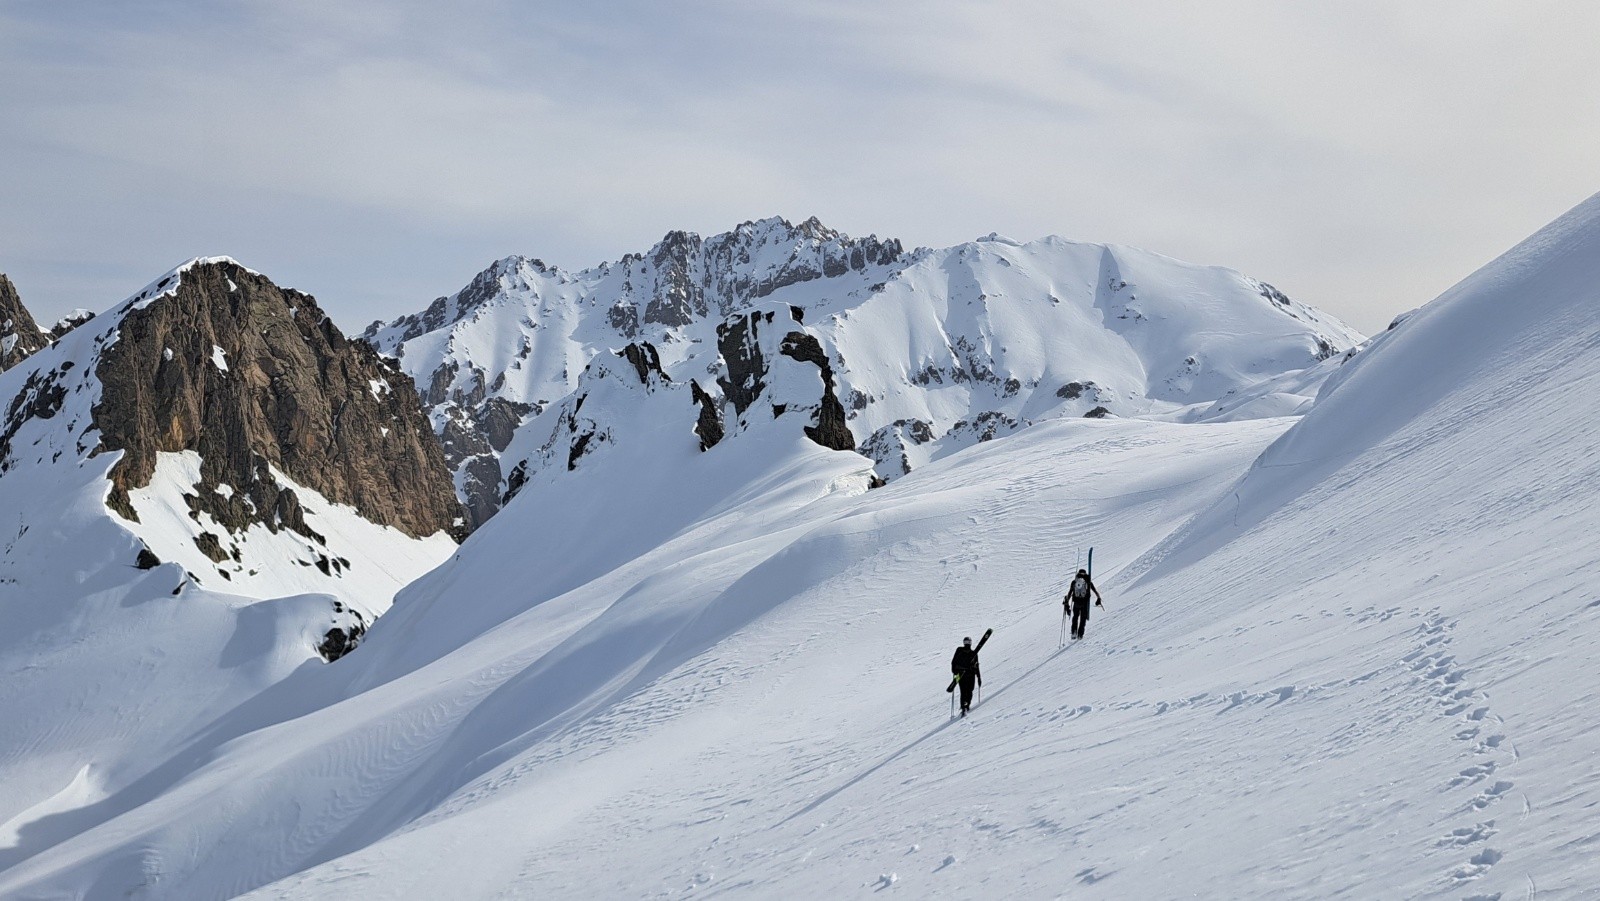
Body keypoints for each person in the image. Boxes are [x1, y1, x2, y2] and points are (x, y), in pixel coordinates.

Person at [1064, 568, 1103, 640]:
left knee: (1075, 617)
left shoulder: (1074, 582)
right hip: (1085, 603)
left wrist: (1067, 601)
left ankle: (1074, 632)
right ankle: (1080, 635)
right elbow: (1095, 591)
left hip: (1076, 603)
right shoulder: (1088, 582)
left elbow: (1070, 593)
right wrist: (1099, 598)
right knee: (1083, 619)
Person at [951, 636, 982, 715]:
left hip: (966, 674)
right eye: (966, 642)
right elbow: (954, 662)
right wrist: (978, 677)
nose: (967, 644)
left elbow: (976, 665)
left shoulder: (971, 653)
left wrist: (978, 676)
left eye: (968, 642)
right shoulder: (961, 650)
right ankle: (965, 706)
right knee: (967, 691)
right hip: (966, 674)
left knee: (966, 691)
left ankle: (965, 705)